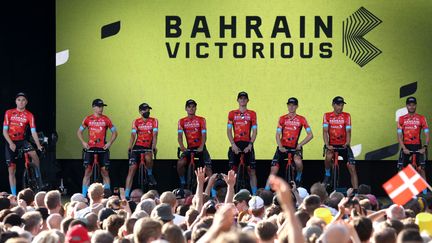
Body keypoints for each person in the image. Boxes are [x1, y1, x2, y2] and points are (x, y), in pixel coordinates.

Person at [265, 97, 313, 189]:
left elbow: (310, 135)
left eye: (293, 105)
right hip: (283, 147)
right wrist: (280, 146)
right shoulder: (282, 118)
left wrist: (300, 144)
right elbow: (277, 135)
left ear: (297, 106)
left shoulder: (302, 119)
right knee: (273, 169)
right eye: (289, 105)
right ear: (287, 106)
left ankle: (298, 175)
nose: (291, 107)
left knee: (298, 162)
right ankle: (266, 190)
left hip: (295, 147)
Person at [3, 92, 44, 196]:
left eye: (23, 100)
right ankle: (13, 194)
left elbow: (33, 131)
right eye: (19, 100)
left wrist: (38, 145)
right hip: (10, 141)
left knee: (34, 154)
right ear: (16, 101)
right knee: (11, 169)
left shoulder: (29, 115)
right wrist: (11, 143)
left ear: (26, 102)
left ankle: (38, 177)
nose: (21, 102)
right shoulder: (9, 112)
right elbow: (4, 131)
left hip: (22, 141)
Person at [77, 99, 118, 196]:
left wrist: (110, 143)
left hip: (102, 149)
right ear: (93, 107)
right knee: (87, 172)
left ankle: (107, 195)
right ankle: (84, 196)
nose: (101, 108)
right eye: (99, 106)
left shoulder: (106, 119)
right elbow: (79, 132)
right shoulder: (88, 119)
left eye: (102, 106)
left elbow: (115, 132)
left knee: (105, 172)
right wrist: (83, 142)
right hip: (90, 148)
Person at [322, 96, 358, 191]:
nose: (340, 107)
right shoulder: (327, 115)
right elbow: (325, 131)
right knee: (328, 157)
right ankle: (327, 174)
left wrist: (347, 142)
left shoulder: (347, 116)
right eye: (338, 105)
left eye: (342, 105)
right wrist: (327, 144)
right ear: (333, 105)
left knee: (352, 168)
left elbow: (348, 131)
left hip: (344, 145)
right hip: (332, 145)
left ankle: (356, 191)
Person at [125, 103, 158, 198]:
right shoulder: (136, 121)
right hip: (137, 146)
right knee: (132, 169)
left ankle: (150, 173)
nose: (147, 111)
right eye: (144, 110)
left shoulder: (154, 121)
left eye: (148, 109)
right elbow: (133, 135)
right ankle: (127, 194)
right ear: (140, 111)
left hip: (148, 146)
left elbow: (155, 135)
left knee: (148, 157)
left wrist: (154, 146)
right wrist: (130, 146)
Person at [227, 91, 258, 195]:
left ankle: (254, 194)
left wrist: (250, 144)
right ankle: (231, 193)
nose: (243, 100)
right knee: (233, 171)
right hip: (236, 143)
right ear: (237, 100)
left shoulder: (252, 113)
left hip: (247, 143)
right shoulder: (232, 113)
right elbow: (228, 130)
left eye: (245, 98)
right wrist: (233, 144)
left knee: (252, 171)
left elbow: (255, 131)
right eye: (241, 98)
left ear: (248, 100)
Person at [177, 99, 212, 187]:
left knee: (208, 169)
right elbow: (180, 136)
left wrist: (201, 146)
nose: (191, 109)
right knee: (180, 163)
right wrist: (182, 146)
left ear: (196, 108)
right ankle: (183, 182)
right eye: (189, 107)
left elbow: (204, 135)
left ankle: (212, 191)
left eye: (193, 107)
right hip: (189, 148)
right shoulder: (181, 121)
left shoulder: (201, 120)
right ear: (186, 108)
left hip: (200, 147)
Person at [397, 96, 429, 194]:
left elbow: (427, 133)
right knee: (402, 168)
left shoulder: (421, 118)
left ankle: (424, 191)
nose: (411, 107)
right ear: (406, 106)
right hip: (406, 146)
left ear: (415, 106)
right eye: (409, 105)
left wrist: (425, 147)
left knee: (421, 168)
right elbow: (399, 135)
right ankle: (402, 190)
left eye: (413, 105)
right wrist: (403, 148)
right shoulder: (401, 119)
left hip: (417, 146)